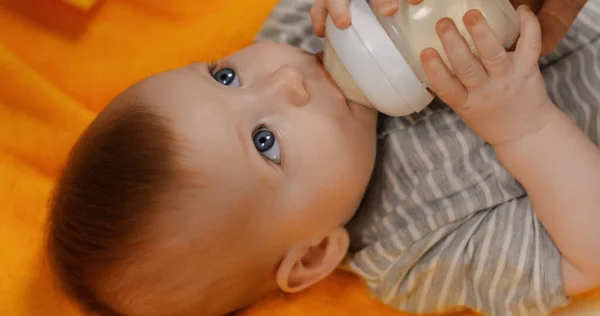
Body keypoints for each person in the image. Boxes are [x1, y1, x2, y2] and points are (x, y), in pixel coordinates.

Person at [47, 1, 600, 316]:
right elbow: (589, 251)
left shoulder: (305, 31)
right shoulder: (411, 249)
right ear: (311, 256)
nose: (285, 78)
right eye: (266, 142)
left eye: (225, 76)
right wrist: (524, 127)